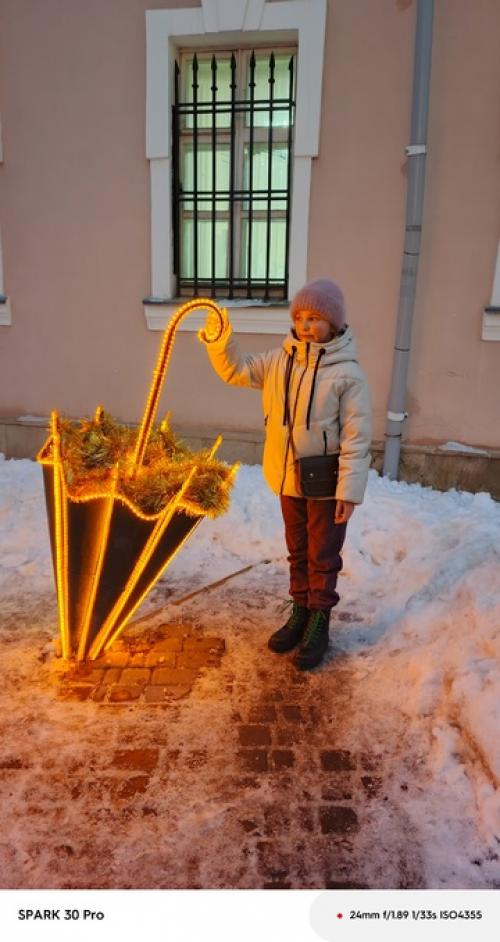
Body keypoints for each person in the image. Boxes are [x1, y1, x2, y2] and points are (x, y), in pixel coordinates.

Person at [201, 278, 372, 670]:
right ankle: (300, 610)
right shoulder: (279, 362)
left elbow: (357, 438)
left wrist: (349, 491)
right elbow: (236, 371)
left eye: (316, 318)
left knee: (323, 554)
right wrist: (218, 339)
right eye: (300, 317)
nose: (307, 325)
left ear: (334, 324)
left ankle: (319, 621)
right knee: (297, 551)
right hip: (288, 480)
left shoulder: (348, 375)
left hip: (327, 485)